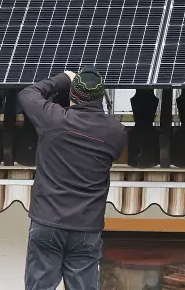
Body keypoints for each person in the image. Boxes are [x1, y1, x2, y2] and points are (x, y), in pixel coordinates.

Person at [18, 67, 127, 290]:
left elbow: (27, 94)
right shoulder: (115, 131)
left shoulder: (54, 120)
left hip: (48, 221)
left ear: (72, 95)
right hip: (86, 228)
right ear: (101, 97)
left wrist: (62, 79)